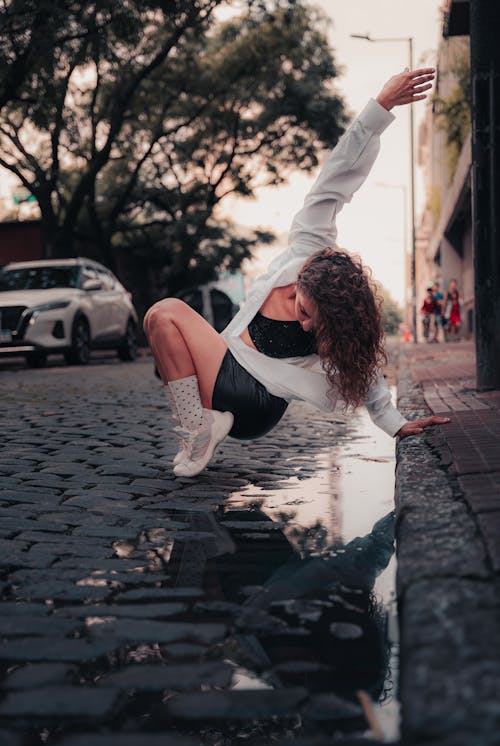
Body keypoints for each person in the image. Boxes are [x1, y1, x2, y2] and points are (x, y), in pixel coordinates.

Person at [144, 67, 448, 478]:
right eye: (305, 311)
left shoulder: (330, 329)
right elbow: (334, 180)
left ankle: (198, 428)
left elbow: (368, 375)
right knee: (157, 330)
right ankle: (201, 426)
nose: (305, 325)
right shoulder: (308, 246)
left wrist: (395, 424)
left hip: (255, 400)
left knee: (166, 311)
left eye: (312, 323)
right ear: (308, 279)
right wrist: (379, 108)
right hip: (228, 370)